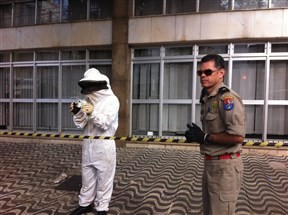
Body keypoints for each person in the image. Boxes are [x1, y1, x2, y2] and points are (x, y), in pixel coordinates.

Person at [185, 54, 246, 215]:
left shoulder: (227, 98)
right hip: (211, 165)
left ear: (221, 73)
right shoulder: (208, 97)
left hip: (225, 168)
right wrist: (197, 135)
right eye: (200, 73)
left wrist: (205, 137)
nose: (203, 76)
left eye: (208, 72)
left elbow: (238, 137)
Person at [69, 68, 120, 215]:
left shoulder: (112, 101)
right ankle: (85, 203)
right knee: (87, 178)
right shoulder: (88, 100)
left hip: (104, 146)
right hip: (88, 146)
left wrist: (92, 112)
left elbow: (105, 123)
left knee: (105, 179)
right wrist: (78, 112)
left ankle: (102, 207)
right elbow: (81, 124)